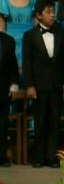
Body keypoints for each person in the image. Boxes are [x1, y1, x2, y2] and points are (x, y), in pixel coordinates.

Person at [22, 0, 64, 168]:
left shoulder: (60, 32)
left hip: (57, 85)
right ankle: (39, 157)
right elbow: (27, 63)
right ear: (39, 15)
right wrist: (29, 85)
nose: (52, 15)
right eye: (48, 12)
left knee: (55, 122)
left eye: (53, 11)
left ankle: (52, 157)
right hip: (39, 86)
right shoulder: (29, 36)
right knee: (40, 121)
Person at [0, 0, 38, 66]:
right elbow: (1, 28)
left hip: (29, 41)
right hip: (11, 41)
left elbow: (36, 24)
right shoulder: (4, 1)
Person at [0, 32, 19, 167]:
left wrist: (14, 84)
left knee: (2, 124)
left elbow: (13, 64)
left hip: (3, 88)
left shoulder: (8, 40)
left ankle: (2, 157)